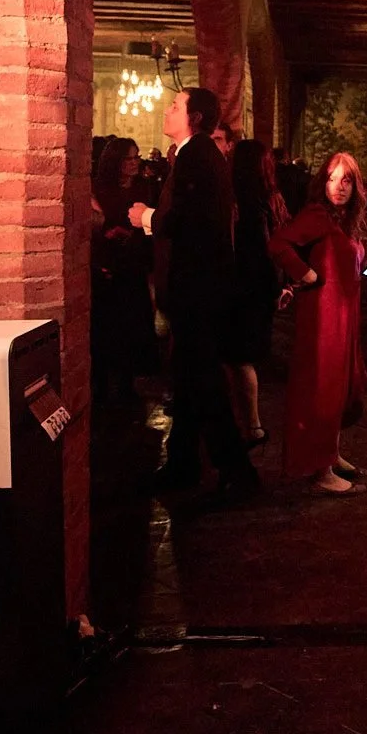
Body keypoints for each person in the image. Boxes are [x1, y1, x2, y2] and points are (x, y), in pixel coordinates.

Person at [130, 88, 257, 502]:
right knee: (188, 383)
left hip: (196, 291)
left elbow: (186, 220)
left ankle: (237, 470)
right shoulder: (194, 154)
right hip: (197, 289)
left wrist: (145, 216)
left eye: (175, 106)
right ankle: (182, 464)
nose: (166, 111)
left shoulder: (196, 155)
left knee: (203, 383)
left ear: (195, 118)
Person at [269, 152, 367, 496]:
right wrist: (305, 273)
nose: (338, 187)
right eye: (331, 178)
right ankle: (320, 469)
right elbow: (279, 243)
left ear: (355, 185)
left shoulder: (347, 220)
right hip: (323, 318)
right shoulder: (316, 215)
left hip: (345, 315)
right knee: (322, 388)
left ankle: (330, 454)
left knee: (341, 385)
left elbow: (354, 269)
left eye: (345, 180)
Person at [226, 139, 289, 447]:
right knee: (242, 358)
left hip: (245, 290)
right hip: (261, 289)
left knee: (240, 358)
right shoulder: (272, 197)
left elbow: (254, 251)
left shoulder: (247, 202)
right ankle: (247, 423)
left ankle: (251, 425)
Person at [91, 137, 155, 402]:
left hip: (133, 263)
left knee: (133, 324)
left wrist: (135, 234)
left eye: (136, 157)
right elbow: (93, 223)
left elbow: (152, 223)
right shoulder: (100, 188)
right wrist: (108, 232)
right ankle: (102, 383)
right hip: (107, 263)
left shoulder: (144, 188)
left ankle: (128, 381)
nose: (134, 163)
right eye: (129, 158)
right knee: (106, 325)